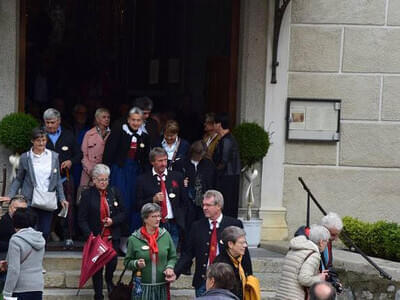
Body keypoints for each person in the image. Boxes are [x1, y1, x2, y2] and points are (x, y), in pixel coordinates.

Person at [174, 190, 252, 297]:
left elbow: (243, 252)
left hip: (228, 283)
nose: (204, 208)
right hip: (203, 282)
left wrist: (249, 277)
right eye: (203, 204)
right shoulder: (197, 226)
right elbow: (188, 253)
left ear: (218, 206)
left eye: (208, 205)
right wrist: (176, 271)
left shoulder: (233, 224)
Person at [7, 127, 67, 241]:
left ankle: (39, 256)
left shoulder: (54, 156)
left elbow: (58, 180)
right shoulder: (26, 157)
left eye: (43, 140)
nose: (41, 143)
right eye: (38, 140)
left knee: (44, 232)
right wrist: (10, 197)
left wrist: (62, 198)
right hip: (29, 199)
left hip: (47, 199)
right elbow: (19, 179)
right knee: (30, 230)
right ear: (32, 141)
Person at [78, 163, 126, 300]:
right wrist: (89, 235)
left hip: (112, 236)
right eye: (100, 180)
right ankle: (98, 294)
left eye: (106, 179)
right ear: (94, 180)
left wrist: (113, 221)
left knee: (112, 263)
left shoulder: (114, 192)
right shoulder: (87, 195)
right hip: (96, 238)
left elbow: (123, 213)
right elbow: (81, 219)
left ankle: (109, 280)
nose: (103, 182)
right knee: (97, 268)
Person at [103, 107, 150, 233]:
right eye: (133, 120)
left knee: (134, 200)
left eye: (138, 120)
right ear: (128, 120)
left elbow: (145, 157)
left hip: (135, 171)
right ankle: (117, 235)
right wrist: (106, 170)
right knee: (120, 199)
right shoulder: (119, 131)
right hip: (120, 170)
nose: (135, 123)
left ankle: (132, 234)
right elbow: (109, 152)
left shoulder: (144, 135)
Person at [43, 108, 82, 247]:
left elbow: (79, 154)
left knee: (67, 208)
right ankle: (44, 237)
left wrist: (71, 161)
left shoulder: (68, 135)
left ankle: (68, 237)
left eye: (52, 122)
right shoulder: (40, 136)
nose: (50, 125)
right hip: (45, 180)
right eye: (47, 123)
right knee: (45, 208)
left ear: (59, 121)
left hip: (64, 178)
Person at [124, 203, 177, 300]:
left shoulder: (166, 236)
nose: (158, 219)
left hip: (162, 287)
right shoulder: (134, 239)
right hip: (142, 287)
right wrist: (136, 263)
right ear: (145, 219)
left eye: (159, 216)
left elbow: (173, 257)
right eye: (154, 216)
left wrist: (170, 267)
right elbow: (127, 262)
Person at [136, 147, 186, 247]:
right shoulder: (142, 180)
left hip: (174, 223)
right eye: (160, 161)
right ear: (152, 162)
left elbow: (184, 201)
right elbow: (137, 205)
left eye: (165, 160)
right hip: (154, 225)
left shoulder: (177, 176)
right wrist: (152, 200)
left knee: (171, 257)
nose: (163, 164)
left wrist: (181, 219)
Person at [275, 224, 331, 300]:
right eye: (326, 242)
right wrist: (320, 278)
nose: (326, 245)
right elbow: (304, 279)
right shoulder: (313, 254)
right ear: (321, 242)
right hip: (295, 296)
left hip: (281, 294)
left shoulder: (295, 248)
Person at [2, 208, 45, 300]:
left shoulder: (16, 240)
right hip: (38, 286)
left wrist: (7, 292)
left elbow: (14, 269)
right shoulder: (40, 239)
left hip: (20, 288)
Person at [172, 140, 216, 223]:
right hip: (187, 201)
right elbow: (174, 180)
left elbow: (212, 182)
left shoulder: (208, 164)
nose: (200, 157)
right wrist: (181, 182)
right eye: (198, 155)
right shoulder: (181, 163)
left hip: (204, 200)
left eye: (202, 155)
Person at [212, 113, 241, 218]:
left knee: (227, 204)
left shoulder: (227, 140)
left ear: (219, 124)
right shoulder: (224, 139)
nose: (213, 126)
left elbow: (223, 161)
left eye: (214, 123)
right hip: (228, 176)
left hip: (227, 178)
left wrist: (214, 172)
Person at [213, 226, 253, 300]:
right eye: (241, 243)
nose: (245, 246)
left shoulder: (241, 258)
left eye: (245, 242)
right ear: (230, 244)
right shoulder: (221, 264)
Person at [0, 196, 27, 294]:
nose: (20, 212)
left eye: (23, 210)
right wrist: (13, 245)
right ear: (10, 208)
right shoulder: (2, 221)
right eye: (17, 208)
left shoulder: (28, 222)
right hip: (5, 262)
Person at [80, 108, 111, 186]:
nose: (107, 119)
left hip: (106, 174)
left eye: (108, 117)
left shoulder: (112, 134)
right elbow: (83, 155)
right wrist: (91, 171)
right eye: (104, 117)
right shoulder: (89, 134)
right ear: (97, 119)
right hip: (89, 173)